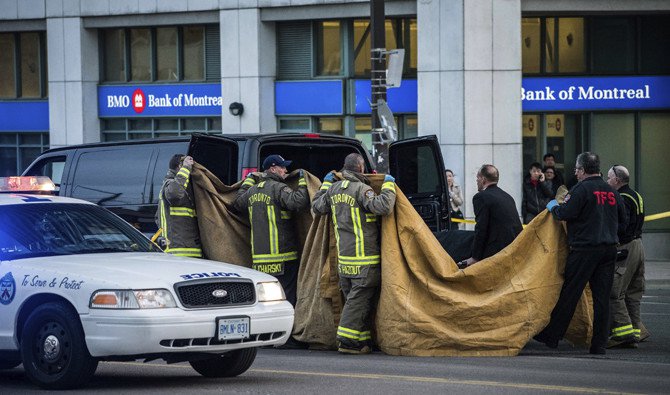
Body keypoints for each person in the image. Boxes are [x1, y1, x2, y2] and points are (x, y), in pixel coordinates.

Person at [534, 152, 627, 355]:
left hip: (584, 250)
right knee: (602, 298)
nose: (575, 173)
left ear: (583, 170)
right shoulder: (612, 192)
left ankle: (552, 336)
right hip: (608, 250)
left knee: (570, 293)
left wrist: (553, 207)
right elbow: (624, 222)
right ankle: (599, 343)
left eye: (576, 169)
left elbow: (565, 214)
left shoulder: (581, 190)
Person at [311, 153, 396, 355]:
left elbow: (316, 206)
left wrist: (325, 184)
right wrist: (389, 186)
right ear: (360, 167)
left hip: (344, 261)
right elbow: (383, 207)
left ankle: (362, 340)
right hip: (364, 260)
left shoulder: (333, 190)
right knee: (358, 301)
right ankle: (348, 341)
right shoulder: (362, 189)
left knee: (357, 302)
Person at [234, 154, 309, 309]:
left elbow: (237, 203)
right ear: (273, 168)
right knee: (285, 297)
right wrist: (303, 181)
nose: (285, 170)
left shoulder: (252, 191)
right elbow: (298, 202)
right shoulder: (278, 188)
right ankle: (288, 329)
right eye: (282, 167)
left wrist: (248, 180)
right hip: (283, 258)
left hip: (260, 260)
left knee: (266, 298)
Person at [606, 164, 649, 348]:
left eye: (609, 178)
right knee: (633, 293)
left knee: (615, 292)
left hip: (626, 248)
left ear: (616, 180)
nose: (607, 182)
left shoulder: (621, 198)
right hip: (639, 246)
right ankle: (636, 333)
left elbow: (621, 225)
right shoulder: (636, 195)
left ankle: (623, 333)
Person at [459, 164, 522, 268]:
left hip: (497, 252)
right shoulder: (508, 196)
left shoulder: (481, 197)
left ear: (483, 179)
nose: (476, 181)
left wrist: (475, 257)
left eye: (477, 178)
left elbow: (481, 228)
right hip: (514, 249)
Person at [156, 154, 202, 258]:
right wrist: (186, 168)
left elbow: (157, 218)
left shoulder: (169, 185)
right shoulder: (172, 184)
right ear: (180, 167)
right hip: (181, 252)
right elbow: (175, 194)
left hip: (181, 249)